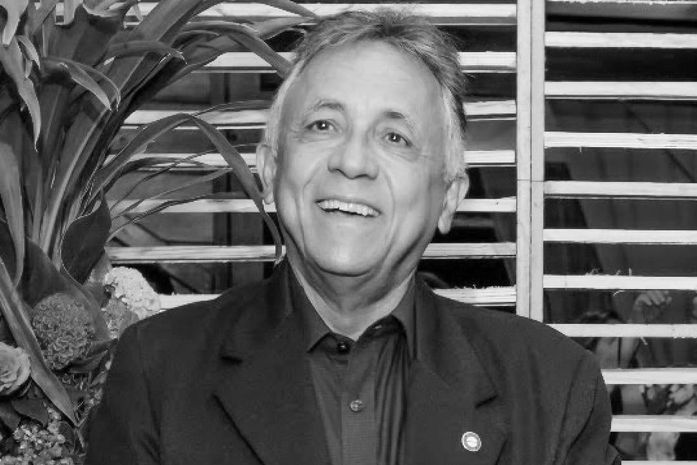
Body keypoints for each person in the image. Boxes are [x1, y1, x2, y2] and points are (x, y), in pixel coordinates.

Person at [86, 9, 618, 465]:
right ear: (269, 169)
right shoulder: (160, 372)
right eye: (323, 126)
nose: (353, 161)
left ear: (449, 197)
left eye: (395, 137)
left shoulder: (553, 389)